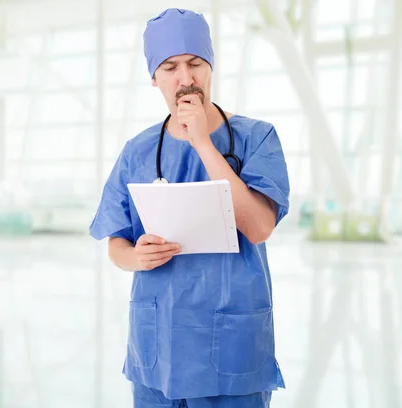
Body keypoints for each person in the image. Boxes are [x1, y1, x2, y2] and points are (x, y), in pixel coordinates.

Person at [89, 8, 290, 408]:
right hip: (158, 348)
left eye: (195, 63)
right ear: (154, 78)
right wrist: (137, 257)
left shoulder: (256, 138)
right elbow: (116, 244)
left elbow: (260, 226)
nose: (186, 78)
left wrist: (202, 142)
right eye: (170, 67)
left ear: (210, 66)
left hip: (231, 346)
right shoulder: (138, 151)